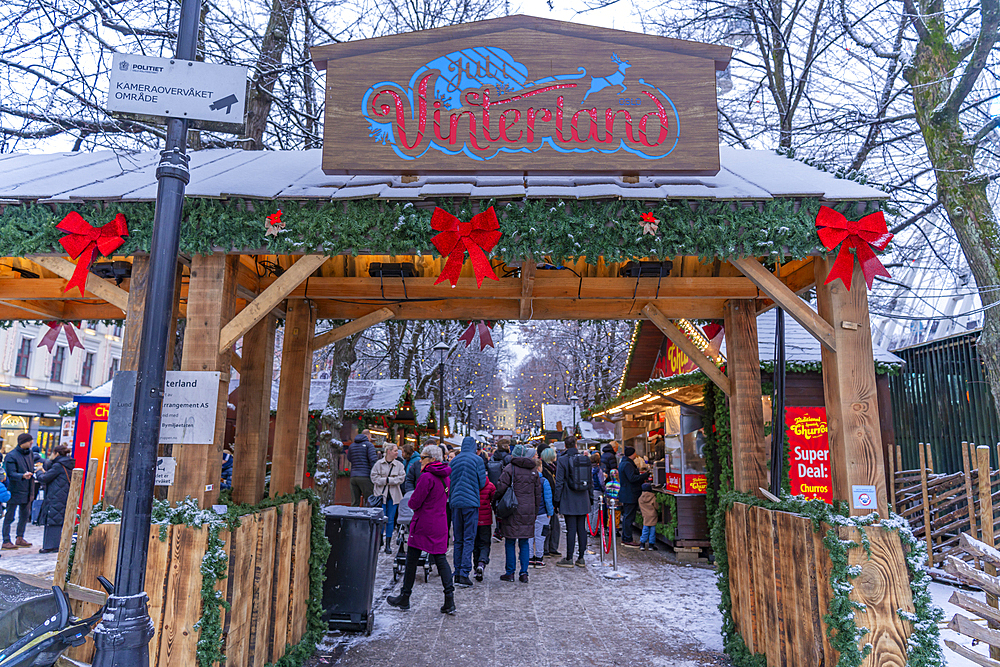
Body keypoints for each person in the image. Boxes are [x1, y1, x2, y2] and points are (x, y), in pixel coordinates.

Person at [387, 445, 455, 614]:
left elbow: (414, 502)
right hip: (440, 523)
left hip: (423, 523)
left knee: (411, 560)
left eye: (423, 457)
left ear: (431, 459)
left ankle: (405, 597)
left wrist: (412, 503)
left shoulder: (426, 477)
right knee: (440, 560)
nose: (420, 460)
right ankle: (449, 600)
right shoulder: (445, 476)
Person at [495, 444, 541, 583]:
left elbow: (501, 488)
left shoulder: (510, 468)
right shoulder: (533, 470)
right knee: (524, 542)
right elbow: (538, 494)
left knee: (510, 541)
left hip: (512, 509)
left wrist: (496, 502)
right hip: (528, 510)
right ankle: (524, 573)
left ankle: (510, 572)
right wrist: (535, 510)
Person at [448, 436, 487, 587]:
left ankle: (457, 572)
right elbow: (482, 482)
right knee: (468, 538)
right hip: (470, 503)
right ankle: (464, 573)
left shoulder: (455, 460)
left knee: (458, 539)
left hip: (456, 502)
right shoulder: (477, 460)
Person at [554, 436, 593, 567]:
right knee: (582, 528)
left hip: (568, 497)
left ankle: (569, 558)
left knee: (571, 529)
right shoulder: (585, 459)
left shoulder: (562, 460)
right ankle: (581, 557)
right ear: (576, 445)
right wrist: (591, 498)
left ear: (565, 446)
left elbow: (559, 482)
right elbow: (590, 481)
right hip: (583, 497)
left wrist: (556, 500)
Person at [35, 445, 76, 553]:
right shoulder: (66, 464)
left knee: (53, 520)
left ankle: (50, 546)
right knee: (56, 520)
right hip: (61, 495)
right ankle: (54, 545)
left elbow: (44, 479)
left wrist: (39, 471)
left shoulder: (58, 465)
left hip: (55, 496)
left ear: (57, 453)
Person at [370, 442, 406, 554]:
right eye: (395, 450)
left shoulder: (399, 465)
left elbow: (402, 478)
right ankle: (380, 541)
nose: (397, 453)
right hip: (381, 495)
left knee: (390, 520)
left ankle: (388, 544)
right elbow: (373, 478)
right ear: (388, 451)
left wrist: (388, 480)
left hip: (394, 496)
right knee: (381, 519)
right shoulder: (378, 464)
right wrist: (386, 480)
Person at [2, 434, 36, 549]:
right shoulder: (11, 456)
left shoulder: (30, 453)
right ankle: (6, 540)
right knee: (10, 516)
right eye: (30, 442)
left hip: (28, 489)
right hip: (15, 490)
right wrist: (22, 475)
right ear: (22, 442)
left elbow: (31, 467)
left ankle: (20, 538)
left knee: (24, 516)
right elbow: (10, 473)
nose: (32, 443)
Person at [618, 446, 651, 547]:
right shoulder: (627, 464)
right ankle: (627, 539)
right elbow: (632, 478)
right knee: (629, 517)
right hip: (630, 493)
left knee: (627, 516)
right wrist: (644, 475)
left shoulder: (623, 463)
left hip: (627, 493)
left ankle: (625, 538)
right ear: (632, 453)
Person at [530, 454, 554, 567]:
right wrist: (550, 513)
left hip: (529, 513)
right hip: (542, 513)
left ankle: (529, 558)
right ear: (540, 468)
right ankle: (539, 558)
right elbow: (548, 500)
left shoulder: (526, 481)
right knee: (540, 536)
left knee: (529, 537)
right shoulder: (544, 481)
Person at [473, 475, 495, 581]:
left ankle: (475, 567)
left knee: (474, 544)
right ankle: (481, 563)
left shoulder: (471, 485)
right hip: (485, 520)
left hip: (473, 519)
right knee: (485, 543)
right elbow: (494, 500)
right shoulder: (490, 486)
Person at [347, 431, 377, 507]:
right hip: (365, 476)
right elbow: (373, 460)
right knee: (369, 500)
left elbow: (349, 458)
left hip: (353, 476)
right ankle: (367, 517)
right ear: (368, 436)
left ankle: (353, 517)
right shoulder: (369, 445)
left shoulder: (352, 446)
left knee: (355, 502)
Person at [541, 447, 561, 557]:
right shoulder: (546, 470)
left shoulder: (551, 468)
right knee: (548, 526)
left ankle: (551, 548)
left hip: (551, 501)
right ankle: (547, 549)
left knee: (554, 526)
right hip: (548, 502)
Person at [638, 482, 659, 551]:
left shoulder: (640, 498)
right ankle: (651, 545)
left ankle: (642, 544)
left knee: (645, 530)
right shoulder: (653, 497)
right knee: (652, 531)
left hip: (645, 516)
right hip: (653, 516)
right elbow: (656, 506)